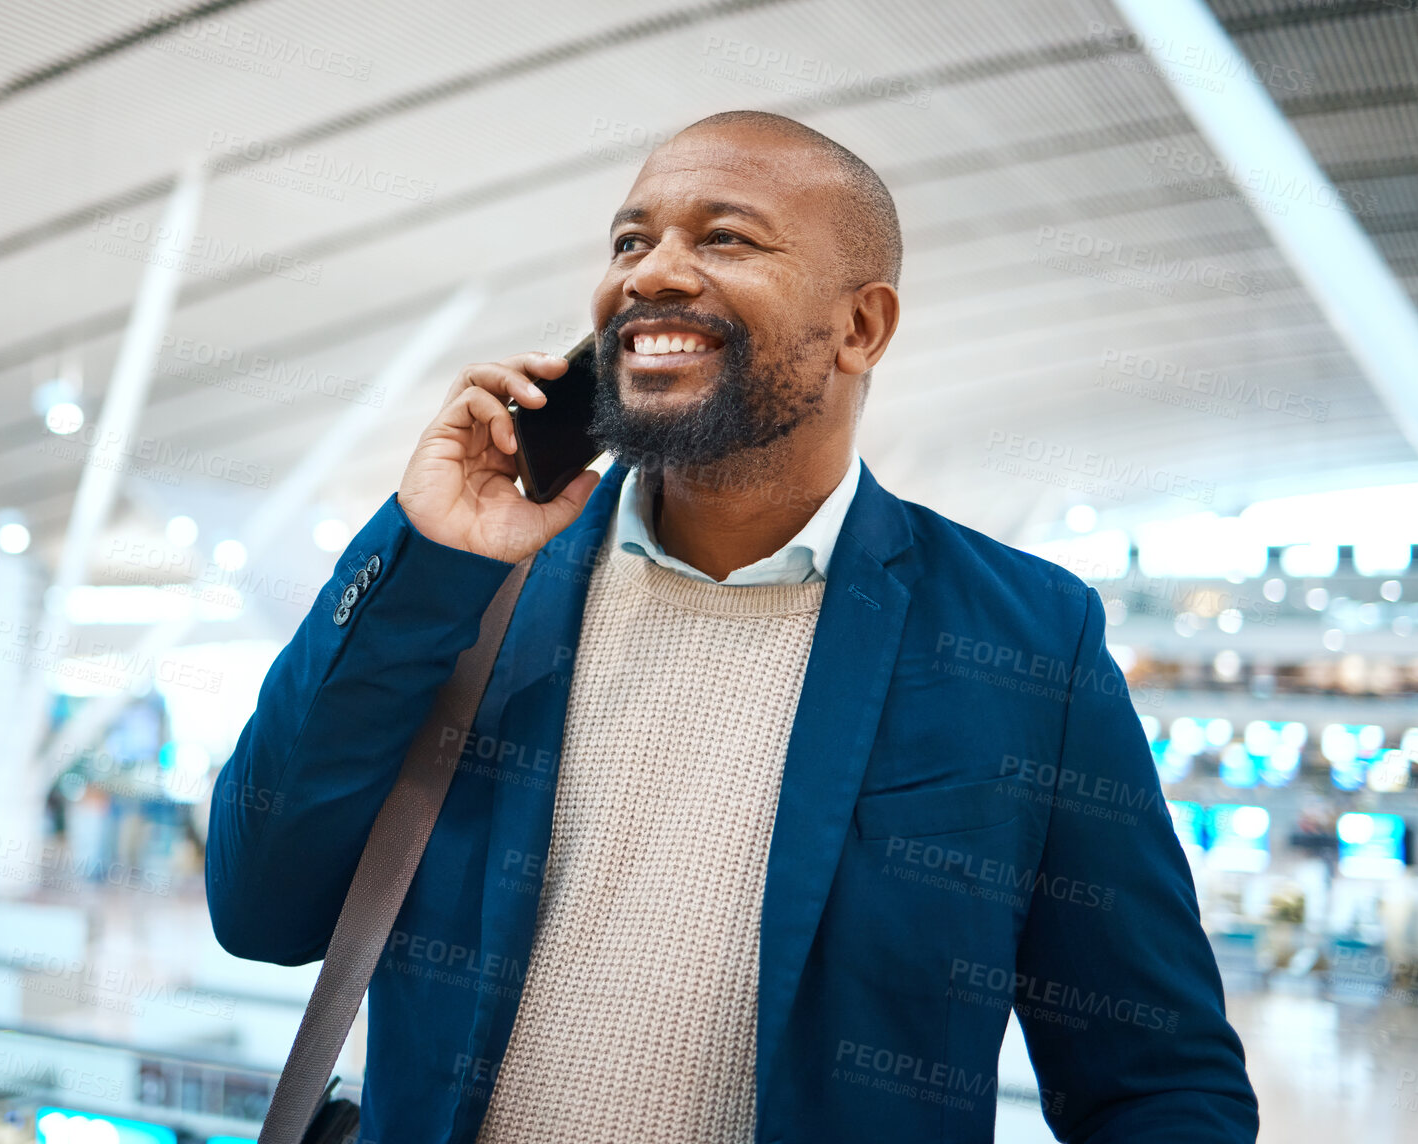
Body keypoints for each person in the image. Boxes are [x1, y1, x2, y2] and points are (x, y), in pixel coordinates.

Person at [207, 110, 1257, 1143]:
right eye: (630, 240)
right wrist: (424, 556)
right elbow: (262, 909)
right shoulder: (479, 588)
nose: (650, 273)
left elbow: (1156, 1081)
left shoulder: (1024, 640)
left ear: (861, 326)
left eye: (724, 237)